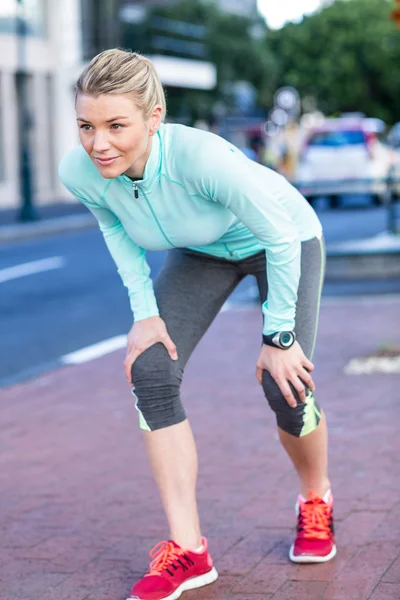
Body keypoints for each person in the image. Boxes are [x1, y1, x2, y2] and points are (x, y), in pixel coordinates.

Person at [58, 49, 336, 600]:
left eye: (117, 126)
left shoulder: (202, 159)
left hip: (279, 239)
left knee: (285, 383)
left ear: (154, 116)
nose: (99, 144)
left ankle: (315, 498)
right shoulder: (82, 171)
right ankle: (188, 550)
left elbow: (281, 236)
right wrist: (144, 316)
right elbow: (117, 232)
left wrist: (278, 337)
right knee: (151, 369)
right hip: (199, 252)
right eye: (86, 126)